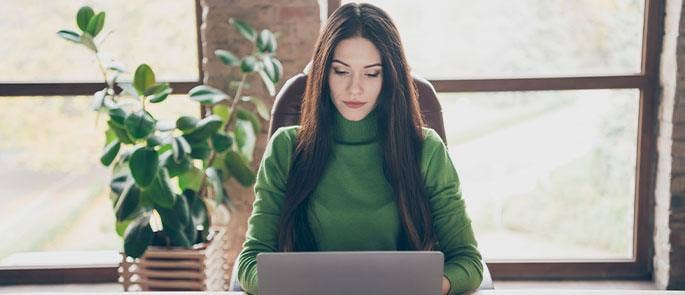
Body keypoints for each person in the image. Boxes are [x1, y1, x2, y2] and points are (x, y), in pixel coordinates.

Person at [237, 3, 483, 294]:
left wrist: (423, 287)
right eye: (341, 72)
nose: (355, 89)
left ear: (390, 78)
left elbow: (468, 263)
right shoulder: (286, 148)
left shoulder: (426, 149)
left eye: (371, 74)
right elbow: (250, 262)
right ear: (323, 75)